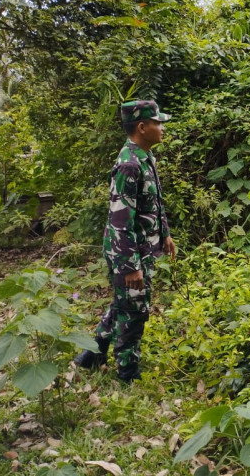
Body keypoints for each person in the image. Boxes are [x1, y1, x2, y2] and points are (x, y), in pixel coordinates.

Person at [74, 100, 176, 382]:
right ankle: (127, 371)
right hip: (129, 251)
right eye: (157, 123)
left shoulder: (145, 157)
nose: (162, 128)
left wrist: (164, 233)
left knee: (123, 304)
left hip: (142, 246)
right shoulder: (129, 165)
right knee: (135, 312)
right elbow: (121, 219)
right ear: (142, 127)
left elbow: (153, 202)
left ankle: (91, 355)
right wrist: (131, 267)